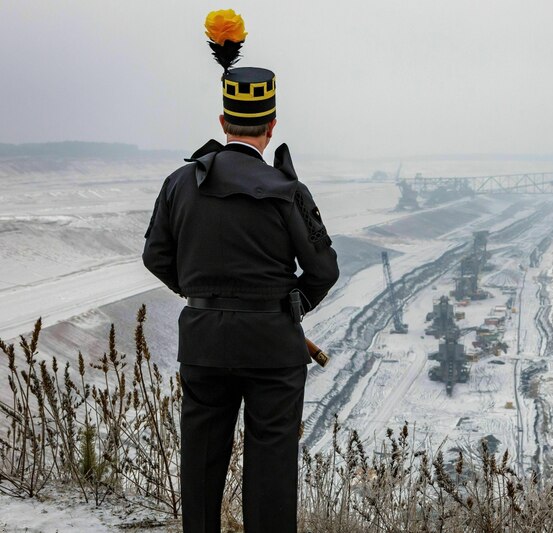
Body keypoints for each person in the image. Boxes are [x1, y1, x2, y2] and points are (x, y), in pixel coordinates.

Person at [142, 9, 339, 532]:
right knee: (271, 468)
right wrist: (289, 305)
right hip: (273, 345)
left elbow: (156, 257)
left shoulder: (179, 183)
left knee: (201, 465)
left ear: (222, 122)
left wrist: (202, 293)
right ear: (271, 127)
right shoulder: (289, 191)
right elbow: (323, 270)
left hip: (203, 339)